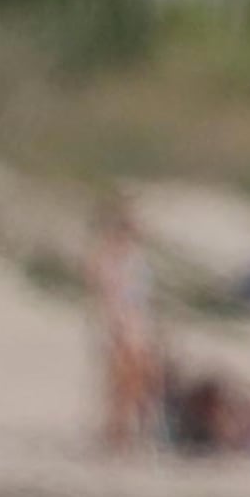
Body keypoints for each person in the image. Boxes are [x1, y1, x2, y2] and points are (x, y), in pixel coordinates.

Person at [88, 194, 162, 454]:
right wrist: (117, 325)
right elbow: (108, 293)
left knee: (139, 381)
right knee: (122, 382)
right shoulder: (110, 257)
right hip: (123, 322)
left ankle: (128, 432)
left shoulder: (133, 256)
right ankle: (117, 433)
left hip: (137, 321)